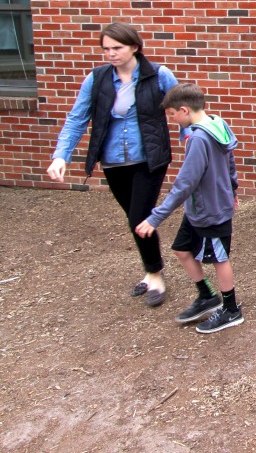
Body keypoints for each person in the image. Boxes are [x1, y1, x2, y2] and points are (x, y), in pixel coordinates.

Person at [47, 22, 183, 308]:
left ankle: (155, 274)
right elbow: (77, 117)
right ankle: (150, 270)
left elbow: (183, 108)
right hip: (112, 160)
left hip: (149, 158)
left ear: (134, 46)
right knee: (135, 218)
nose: (111, 54)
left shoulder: (158, 75)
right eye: (106, 49)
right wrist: (61, 155)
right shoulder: (97, 79)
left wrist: (192, 140)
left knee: (139, 216)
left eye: (117, 48)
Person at [135, 83, 243, 334]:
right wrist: (233, 189)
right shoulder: (217, 123)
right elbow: (231, 162)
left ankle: (231, 309)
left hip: (210, 210)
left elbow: (186, 182)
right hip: (199, 208)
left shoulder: (198, 138)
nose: (173, 120)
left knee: (219, 258)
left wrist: (156, 217)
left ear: (184, 110)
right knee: (182, 249)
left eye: (173, 114)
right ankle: (207, 296)